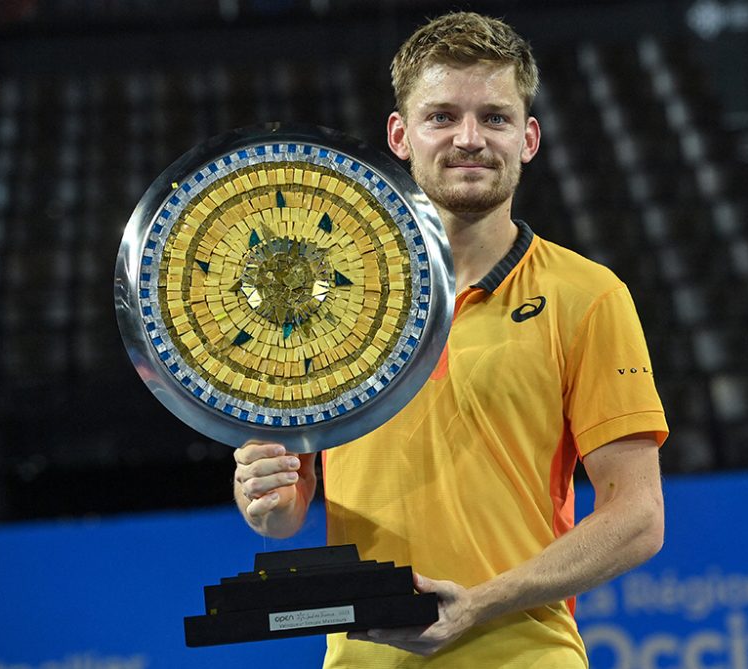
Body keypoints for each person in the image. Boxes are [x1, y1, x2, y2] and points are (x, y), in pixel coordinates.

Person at [233, 11, 668, 668]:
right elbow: (288, 511)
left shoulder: (589, 295)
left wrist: (481, 601)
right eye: (442, 117)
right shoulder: (324, 302)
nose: (469, 138)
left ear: (528, 138)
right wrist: (266, 498)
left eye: (493, 117)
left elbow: (637, 516)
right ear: (400, 135)